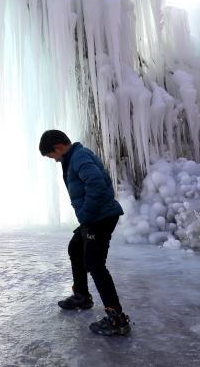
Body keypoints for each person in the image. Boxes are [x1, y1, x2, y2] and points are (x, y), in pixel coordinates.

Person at [39, 129, 131, 336]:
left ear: (58, 148)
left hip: (100, 218)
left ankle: (117, 318)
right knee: (75, 248)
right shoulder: (75, 157)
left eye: (52, 156)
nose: (54, 160)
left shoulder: (79, 158)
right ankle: (81, 295)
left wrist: (86, 215)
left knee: (95, 264)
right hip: (95, 217)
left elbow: (97, 184)